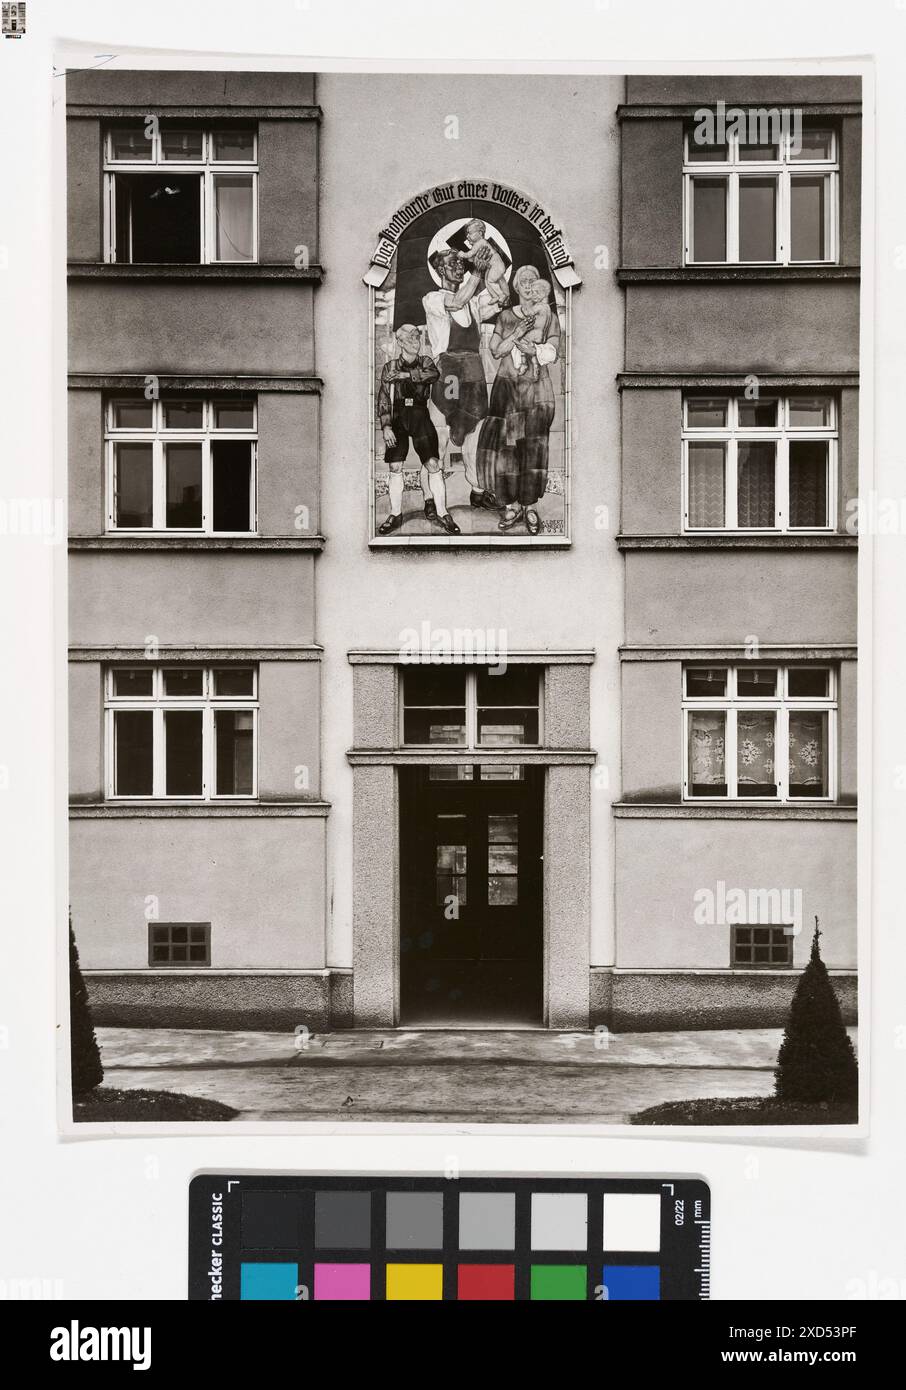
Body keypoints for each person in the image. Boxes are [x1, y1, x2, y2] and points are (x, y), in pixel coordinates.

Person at [475, 264, 561, 534]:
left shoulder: (548, 315)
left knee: (534, 446)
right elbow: (496, 350)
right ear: (515, 286)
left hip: (536, 391)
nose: (528, 284)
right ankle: (511, 505)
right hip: (509, 390)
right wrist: (516, 334)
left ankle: (530, 506)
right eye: (523, 281)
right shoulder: (505, 316)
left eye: (533, 280)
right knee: (508, 449)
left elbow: (553, 350)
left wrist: (534, 350)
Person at [422, 248, 500, 515]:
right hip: (449, 375)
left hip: (474, 376)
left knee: (475, 437)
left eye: (460, 262)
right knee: (439, 439)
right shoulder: (433, 298)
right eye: (452, 263)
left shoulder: (474, 302)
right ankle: (430, 499)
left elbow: (502, 296)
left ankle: (478, 492)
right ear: (440, 270)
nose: (459, 266)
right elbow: (455, 302)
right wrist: (477, 272)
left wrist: (492, 263)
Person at [376, 323, 460, 535]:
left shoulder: (426, 362)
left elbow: (432, 375)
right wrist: (386, 426)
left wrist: (405, 376)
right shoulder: (390, 367)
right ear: (400, 342)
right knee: (395, 466)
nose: (416, 342)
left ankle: (442, 512)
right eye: (411, 338)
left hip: (420, 415)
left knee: (433, 463)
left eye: (417, 337)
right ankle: (395, 514)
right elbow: (384, 398)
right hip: (398, 417)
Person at [510, 277, 553, 381]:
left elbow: (528, 313)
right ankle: (535, 367)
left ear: (545, 293)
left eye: (537, 292)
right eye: (532, 292)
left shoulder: (540, 306)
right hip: (541, 335)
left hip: (535, 333)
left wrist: (524, 308)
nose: (533, 295)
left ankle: (523, 363)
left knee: (519, 342)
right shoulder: (547, 308)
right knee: (532, 351)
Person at [460, 219, 509, 307]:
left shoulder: (480, 242)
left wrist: (462, 254)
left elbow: (470, 254)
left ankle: (502, 295)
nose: (467, 236)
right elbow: (473, 258)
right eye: (467, 233)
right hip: (495, 266)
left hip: (496, 265)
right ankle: (496, 296)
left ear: (480, 233)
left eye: (470, 233)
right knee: (491, 281)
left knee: (490, 281)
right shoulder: (481, 243)